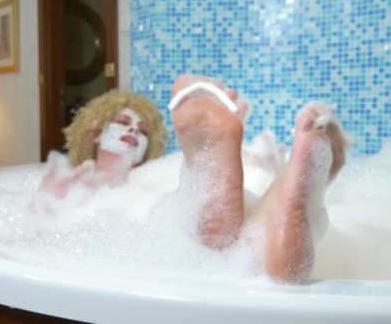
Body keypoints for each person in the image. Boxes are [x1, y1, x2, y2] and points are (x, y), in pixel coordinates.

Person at [170, 74, 350, 282]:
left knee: (216, 231)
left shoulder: (136, 188)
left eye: (141, 129)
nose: (132, 131)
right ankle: (278, 212)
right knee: (260, 220)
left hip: (199, 253)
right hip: (252, 203)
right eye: (123, 121)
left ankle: (209, 176)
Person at [38, 89, 168, 198]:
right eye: (123, 122)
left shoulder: (150, 193)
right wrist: (51, 199)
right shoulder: (71, 186)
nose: (134, 129)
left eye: (143, 131)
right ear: (96, 135)